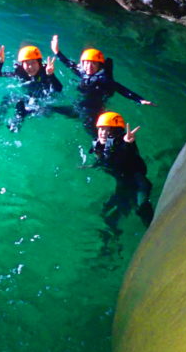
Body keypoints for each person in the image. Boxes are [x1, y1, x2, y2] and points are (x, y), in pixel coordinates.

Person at [50, 34, 153, 135]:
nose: (89, 66)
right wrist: (57, 52)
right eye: (86, 63)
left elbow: (121, 88)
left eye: (93, 63)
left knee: (91, 130)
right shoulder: (83, 72)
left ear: (99, 66)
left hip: (94, 108)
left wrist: (139, 99)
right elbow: (68, 64)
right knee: (52, 108)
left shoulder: (103, 79)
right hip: (82, 104)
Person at [90, 111, 154, 255]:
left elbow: (126, 150)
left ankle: (153, 234)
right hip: (123, 185)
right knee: (107, 214)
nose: (102, 133)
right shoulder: (100, 145)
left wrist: (127, 142)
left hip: (139, 184)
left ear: (115, 132)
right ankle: (110, 244)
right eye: (101, 129)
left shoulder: (123, 143)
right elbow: (105, 160)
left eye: (107, 130)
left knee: (142, 207)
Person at [0, 44, 62, 131]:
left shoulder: (46, 72)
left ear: (39, 63)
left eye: (33, 62)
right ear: (22, 65)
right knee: (7, 98)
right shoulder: (20, 72)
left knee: (39, 107)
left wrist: (51, 75)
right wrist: (0, 63)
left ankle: (20, 118)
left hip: (44, 99)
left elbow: (58, 89)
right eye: (27, 63)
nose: (30, 67)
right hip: (29, 96)